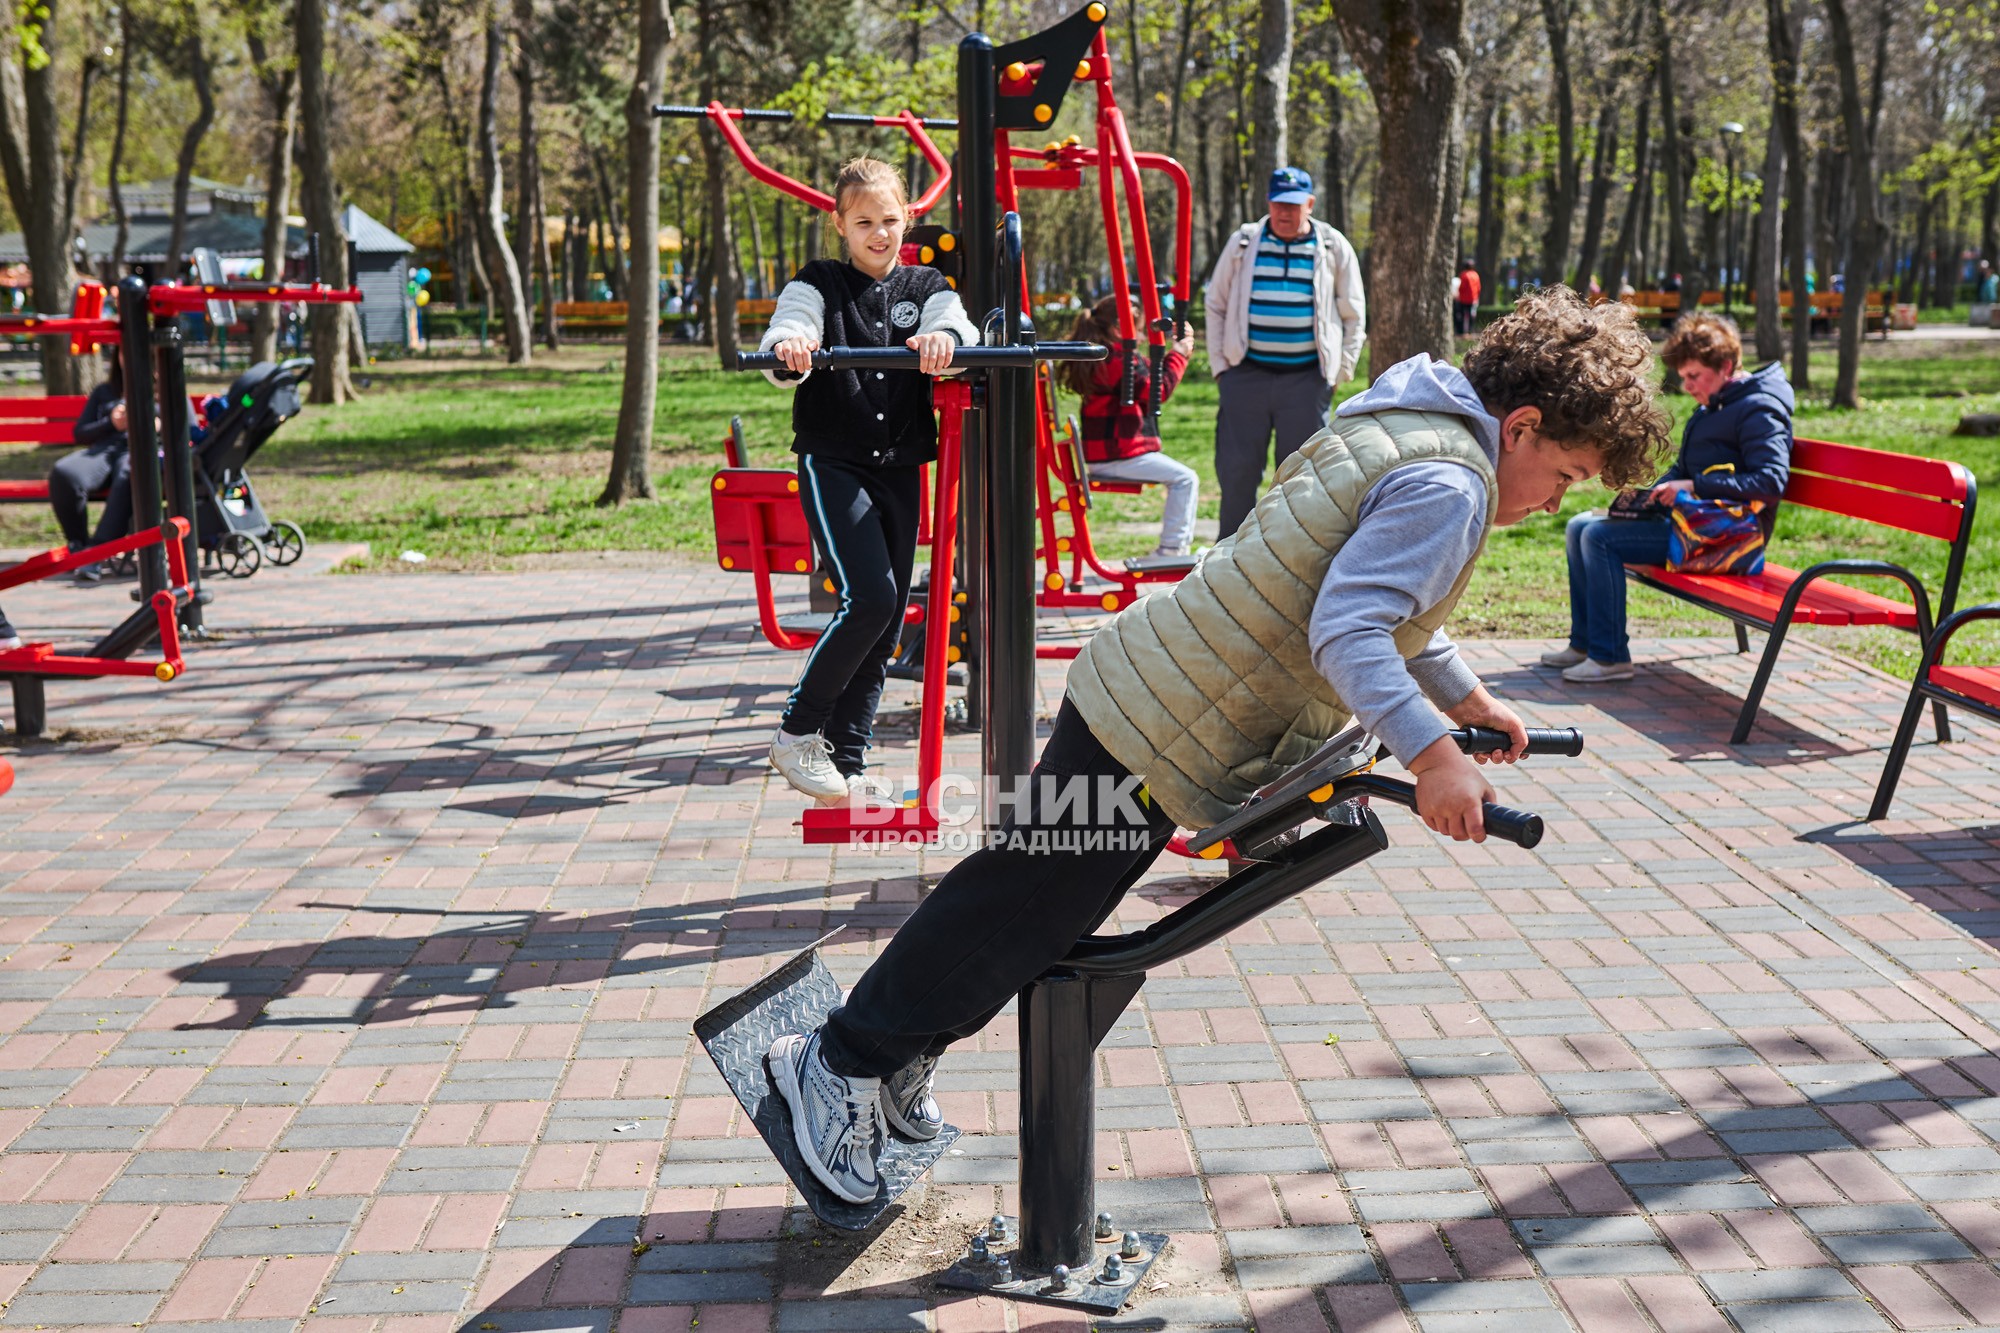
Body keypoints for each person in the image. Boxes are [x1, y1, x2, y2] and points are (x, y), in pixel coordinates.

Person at [765, 287, 1671, 1205]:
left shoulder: (1409, 426)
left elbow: (1386, 602)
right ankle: (841, 1061)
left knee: (1035, 916)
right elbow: (1352, 627)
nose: (1556, 501)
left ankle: (897, 1050)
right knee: (1013, 906)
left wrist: (1465, 700)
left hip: (1164, 703)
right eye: (1566, 474)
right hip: (1161, 717)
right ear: (1521, 427)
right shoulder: (1452, 484)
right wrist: (1436, 758)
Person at [760, 157, 979, 806]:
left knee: (884, 624)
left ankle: (846, 764)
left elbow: (956, 326)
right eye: (863, 223)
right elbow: (791, 323)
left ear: (907, 217)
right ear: (840, 225)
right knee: (872, 599)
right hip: (835, 462)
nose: (878, 233)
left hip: (901, 465)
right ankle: (796, 733)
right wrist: (791, 345)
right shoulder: (820, 282)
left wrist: (943, 341)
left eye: (888, 220)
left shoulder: (926, 284)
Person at [1546, 312, 1792, 683]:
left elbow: (1770, 482)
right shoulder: (1716, 405)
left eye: (1694, 376)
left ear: (1726, 366)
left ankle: (1610, 657)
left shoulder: (1759, 410)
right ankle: (1584, 644)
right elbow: (1686, 469)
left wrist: (1695, 487)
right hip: (1697, 522)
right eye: (1684, 377)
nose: (1688, 386)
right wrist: (1653, 493)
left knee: (1599, 537)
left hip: (1732, 536)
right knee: (1579, 525)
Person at [1204, 166, 1367, 540]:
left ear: (1310, 204)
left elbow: (1353, 313)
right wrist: (1221, 369)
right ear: (1268, 203)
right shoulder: (1244, 243)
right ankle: (1230, 557)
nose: (1284, 212)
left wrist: (1339, 372)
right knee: (1237, 472)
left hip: (1306, 382)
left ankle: (1291, 557)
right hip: (1245, 376)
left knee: (1301, 480)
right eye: (1278, 204)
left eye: (1293, 205)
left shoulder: (1332, 246)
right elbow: (1216, 304)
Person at [1060, 295, 1200, 557]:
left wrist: (1176, 350)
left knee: (1184, 478)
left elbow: (1152, 372)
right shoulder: (1116, 361)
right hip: (1116, 456)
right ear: (1118, 329)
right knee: (1185, 479)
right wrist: (1179, 355)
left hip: (1113, 454)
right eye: (1140, 330)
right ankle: (1172, 550)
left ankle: (1174, 549)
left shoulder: (1110, 357)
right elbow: (1157, 389)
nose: (1144, 338)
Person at [48, 349, 139, 584]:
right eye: (123, 351)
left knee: (129, 473)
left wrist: (156, 425)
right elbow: (80, 433)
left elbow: (187, 429)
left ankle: (97, 553)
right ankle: (78, 546)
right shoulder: (105, 392)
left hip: (142, 451)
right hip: (104, 451)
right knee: (64, 472)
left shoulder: (165, 390)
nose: (129, 356)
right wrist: (111, 423)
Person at [1454, 259, 1481, 337]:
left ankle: (1462, 332)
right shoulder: (1476, 275)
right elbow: (1479, 287)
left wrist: (1458, 295)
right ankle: (1470, 331)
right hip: (1473, 299)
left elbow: (1461, 287)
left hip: (1464, 299)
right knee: (1471, 315)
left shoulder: (1464, 275)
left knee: (1462, 315)